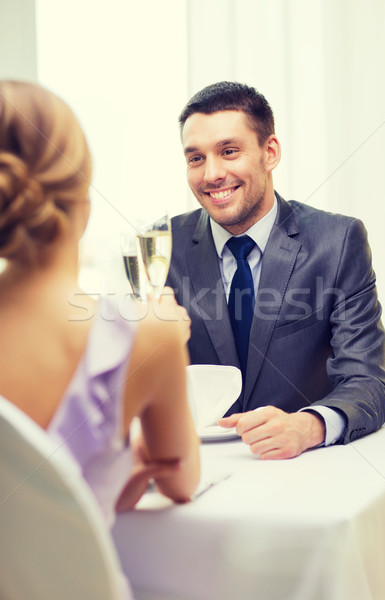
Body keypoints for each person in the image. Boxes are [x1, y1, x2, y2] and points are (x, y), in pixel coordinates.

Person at [0, 80, 200, 527]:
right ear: (84, 203)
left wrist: (103, 483)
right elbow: (181, 483)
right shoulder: (150, 333)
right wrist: (122, 459)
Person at [166, 80, 385, 459]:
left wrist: (308, 426)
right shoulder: (162, 248)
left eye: (229, 151)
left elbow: (366, 381)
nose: (211, 175)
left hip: (302, 469)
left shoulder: (337, 241)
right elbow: (133, 387)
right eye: (196, 158)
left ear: (270, 152)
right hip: (197, 467)